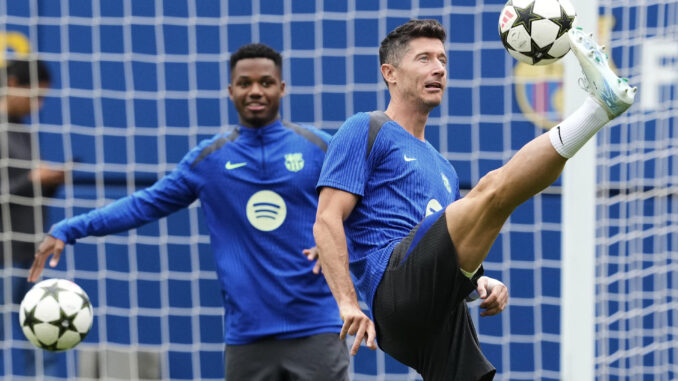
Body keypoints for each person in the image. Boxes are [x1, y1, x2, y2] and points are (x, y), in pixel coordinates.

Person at [313, 19, 636, 381]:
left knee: (490, 202)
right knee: (494, 191)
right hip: (391, 286)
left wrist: (478, 281)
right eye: (424, 59)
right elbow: (326, 220)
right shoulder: (366, 127)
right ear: (390, 73)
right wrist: (346, 302)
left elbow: (443, 245)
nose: (438, 68)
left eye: (443, 60)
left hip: (434, 316)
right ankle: (597, 109)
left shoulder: (445, 170)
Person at [28, 43, 350, 381]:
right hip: (248, 337)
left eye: (266, 82)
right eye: (245, 83)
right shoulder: (209, 160)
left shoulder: (320, 149)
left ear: (281, 88)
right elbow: (144, 204)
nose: (255, 91)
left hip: (318, 328)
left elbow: (364, 204)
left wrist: (338, 241)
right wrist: (69, 228)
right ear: (231, 91)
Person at [0, 58, 66, 377]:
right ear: (12, 84)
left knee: (42, 340)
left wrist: (48, 182)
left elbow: (27, 194)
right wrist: (32, 179)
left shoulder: (24, 133)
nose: (38, 106)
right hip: (4, 258)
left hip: (30, 257)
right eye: (35, 96)